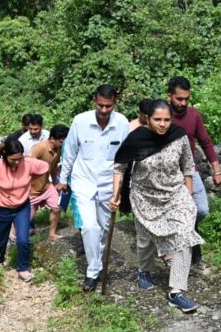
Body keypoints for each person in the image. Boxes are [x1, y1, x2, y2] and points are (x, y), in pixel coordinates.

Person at [110, 99, 203, 313]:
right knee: (145, 241)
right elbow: (119, 168)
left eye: (166, 120)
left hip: (175, 195)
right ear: (148, 119)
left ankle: (176, 292)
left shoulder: (178, 136)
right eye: (157, 119)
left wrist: (188, 195)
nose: (162, 124)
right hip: (145, 197)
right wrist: (115, 195)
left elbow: (188, 166)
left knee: (184, 236)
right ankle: (144, 270)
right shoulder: (137, 138)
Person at [58, 84, 129, 292]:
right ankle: (93, 271)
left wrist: (121, 189)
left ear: (115, 103)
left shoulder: (122, 123)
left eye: (108, 106)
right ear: (94, 101)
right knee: (90, 227)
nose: (104, 110)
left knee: (104, 229)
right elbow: (70, 152)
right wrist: (63, 178)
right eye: (100, 105)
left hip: (109, 183)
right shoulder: (80, 121)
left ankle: (97, 262)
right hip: (83, 181)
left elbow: (124, 158)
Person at [0, 139, 49, 282]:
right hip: (3, 208)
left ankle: (22, 268)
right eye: (13, 159)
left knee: (23, 240)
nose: (17, 162)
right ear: (5, 155)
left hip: (22, 207)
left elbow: (44, 167)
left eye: (20, 158)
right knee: (1, 240)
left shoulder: (27, 163)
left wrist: (30, 179)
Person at [167, 76, 221, 268]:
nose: (183, 103)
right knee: (180, 213)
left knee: (201, 210)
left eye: (186, 99)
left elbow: (205, 142)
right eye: (179, 99)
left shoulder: (194, 115)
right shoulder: (162, 116)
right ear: (169, 96)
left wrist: (217, 169)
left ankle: (184, 240)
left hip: (191, 171)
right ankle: (188, 256)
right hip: (169, 175)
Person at [28, 124, 69, 240]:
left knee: (56, 208)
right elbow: (27, 166)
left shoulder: (59, 149)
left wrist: (55, 182)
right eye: (61, 142)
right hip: (32, 189)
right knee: (28, 217)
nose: (63, 144)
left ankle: (52, 234)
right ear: (52, 139)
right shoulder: (39, 148)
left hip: (46, 186)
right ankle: (12, 233)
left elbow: (54, 167)